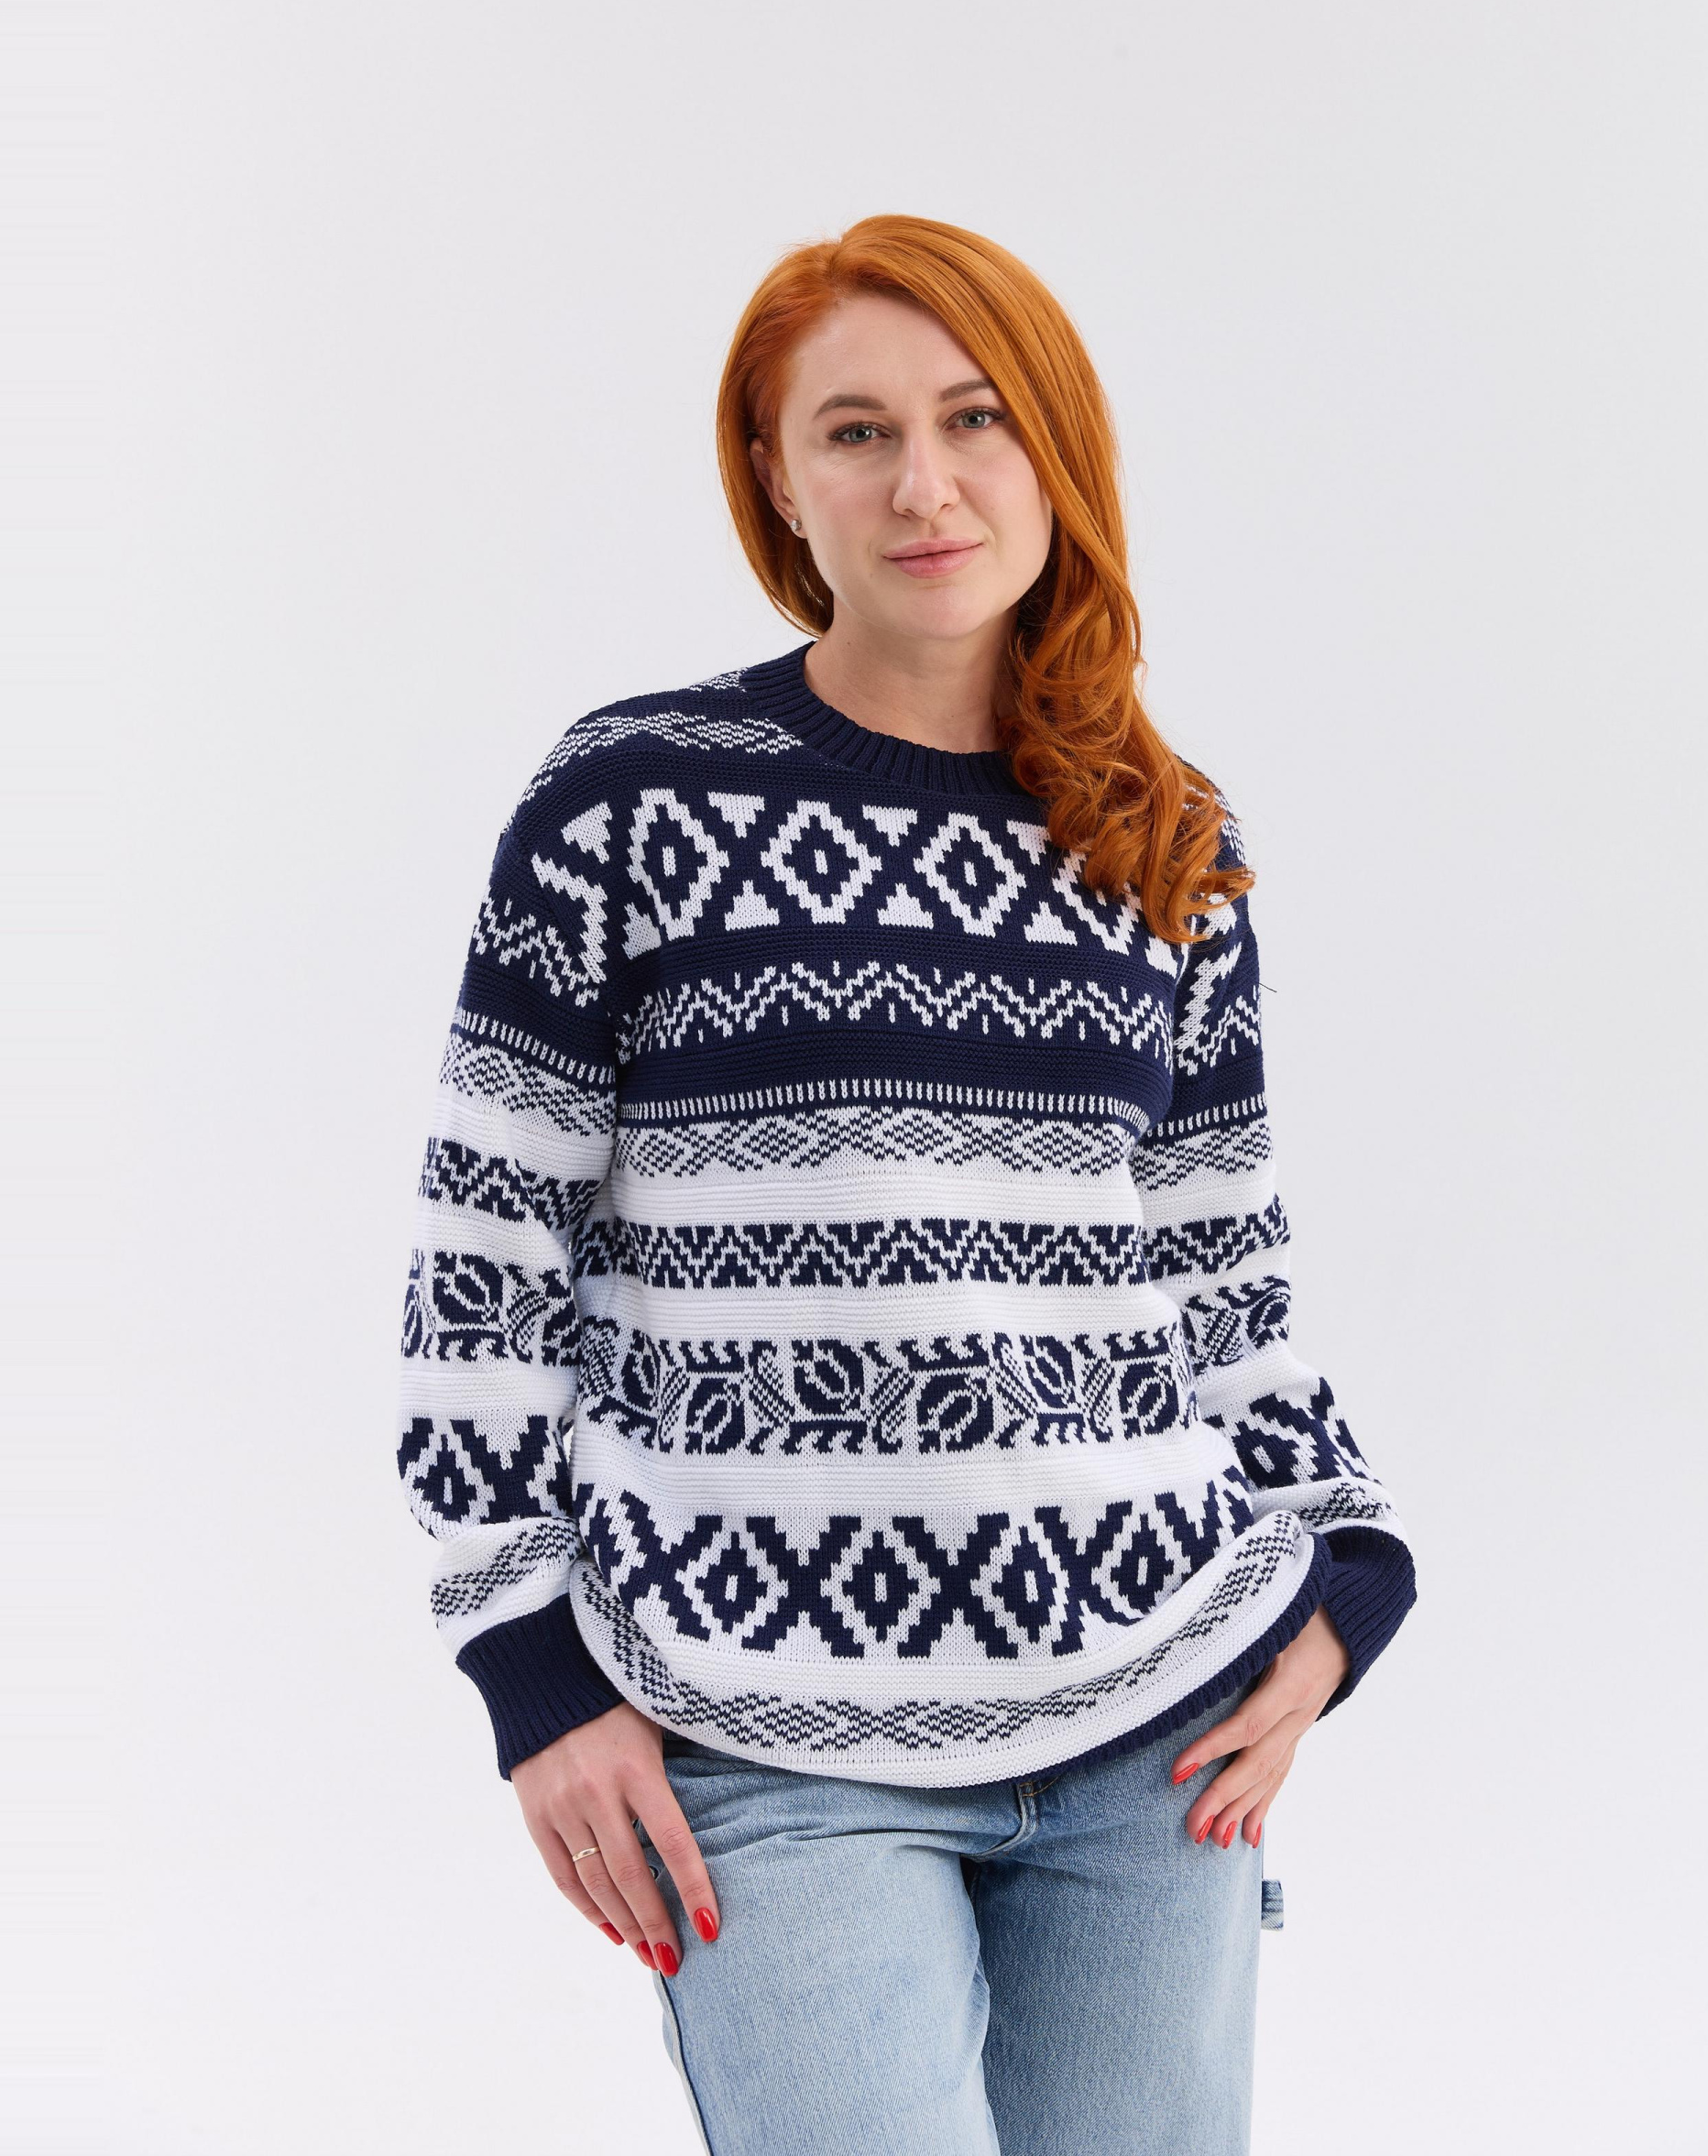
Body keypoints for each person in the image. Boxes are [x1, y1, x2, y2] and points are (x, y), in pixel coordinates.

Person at [398, 213, 1416, 2155]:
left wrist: (1350, 1569)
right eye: (853, 432)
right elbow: (480, 1266)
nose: (922, 485)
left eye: (973, 418)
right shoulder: (630, 802)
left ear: (1055, 449)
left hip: (1154, 1725)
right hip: (758, 1736)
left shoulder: (1164, 843)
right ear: (777, 480)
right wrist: (527, 1668)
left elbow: (1221, 1275)